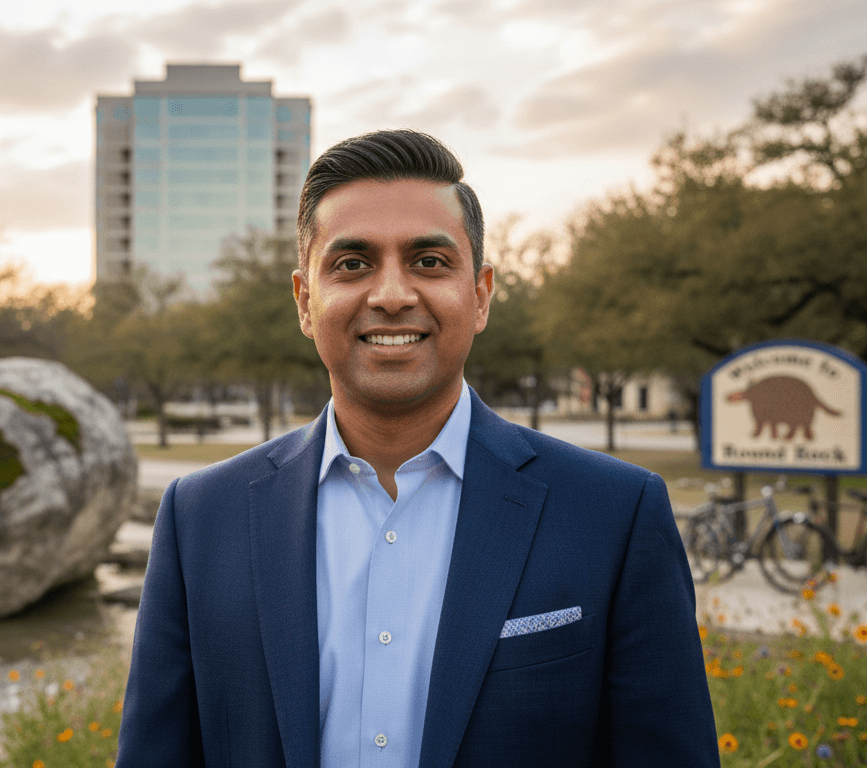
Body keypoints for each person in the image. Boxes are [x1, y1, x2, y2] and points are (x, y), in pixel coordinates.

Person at [116, 129, 717, 767]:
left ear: (481, 294)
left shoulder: (613, 515)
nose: (393, 295)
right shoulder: (201, 517)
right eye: (352, 264)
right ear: (304, 301)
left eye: (429, 261)